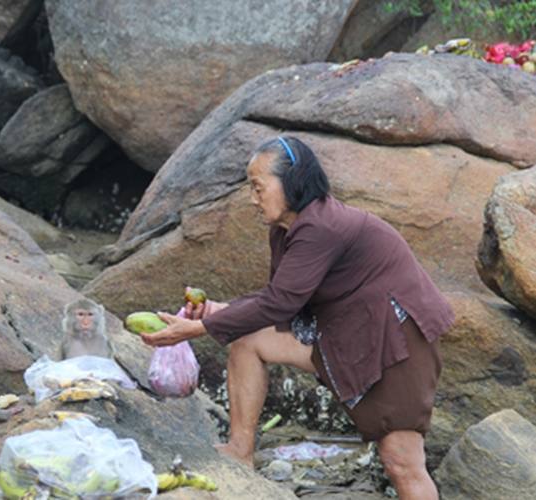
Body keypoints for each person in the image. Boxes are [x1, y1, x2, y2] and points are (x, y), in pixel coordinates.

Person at [140, 136, 454, 500]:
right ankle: (240, 451)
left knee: (401, 460)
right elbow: (280, 297)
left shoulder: (322, 226)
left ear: (292, 183)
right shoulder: (287, 228)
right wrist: (217, 312)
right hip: (348, 334)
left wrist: (196, 328)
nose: (252, 198)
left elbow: (279, 304)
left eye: (258, 188)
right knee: (247, 339)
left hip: (395, 337)